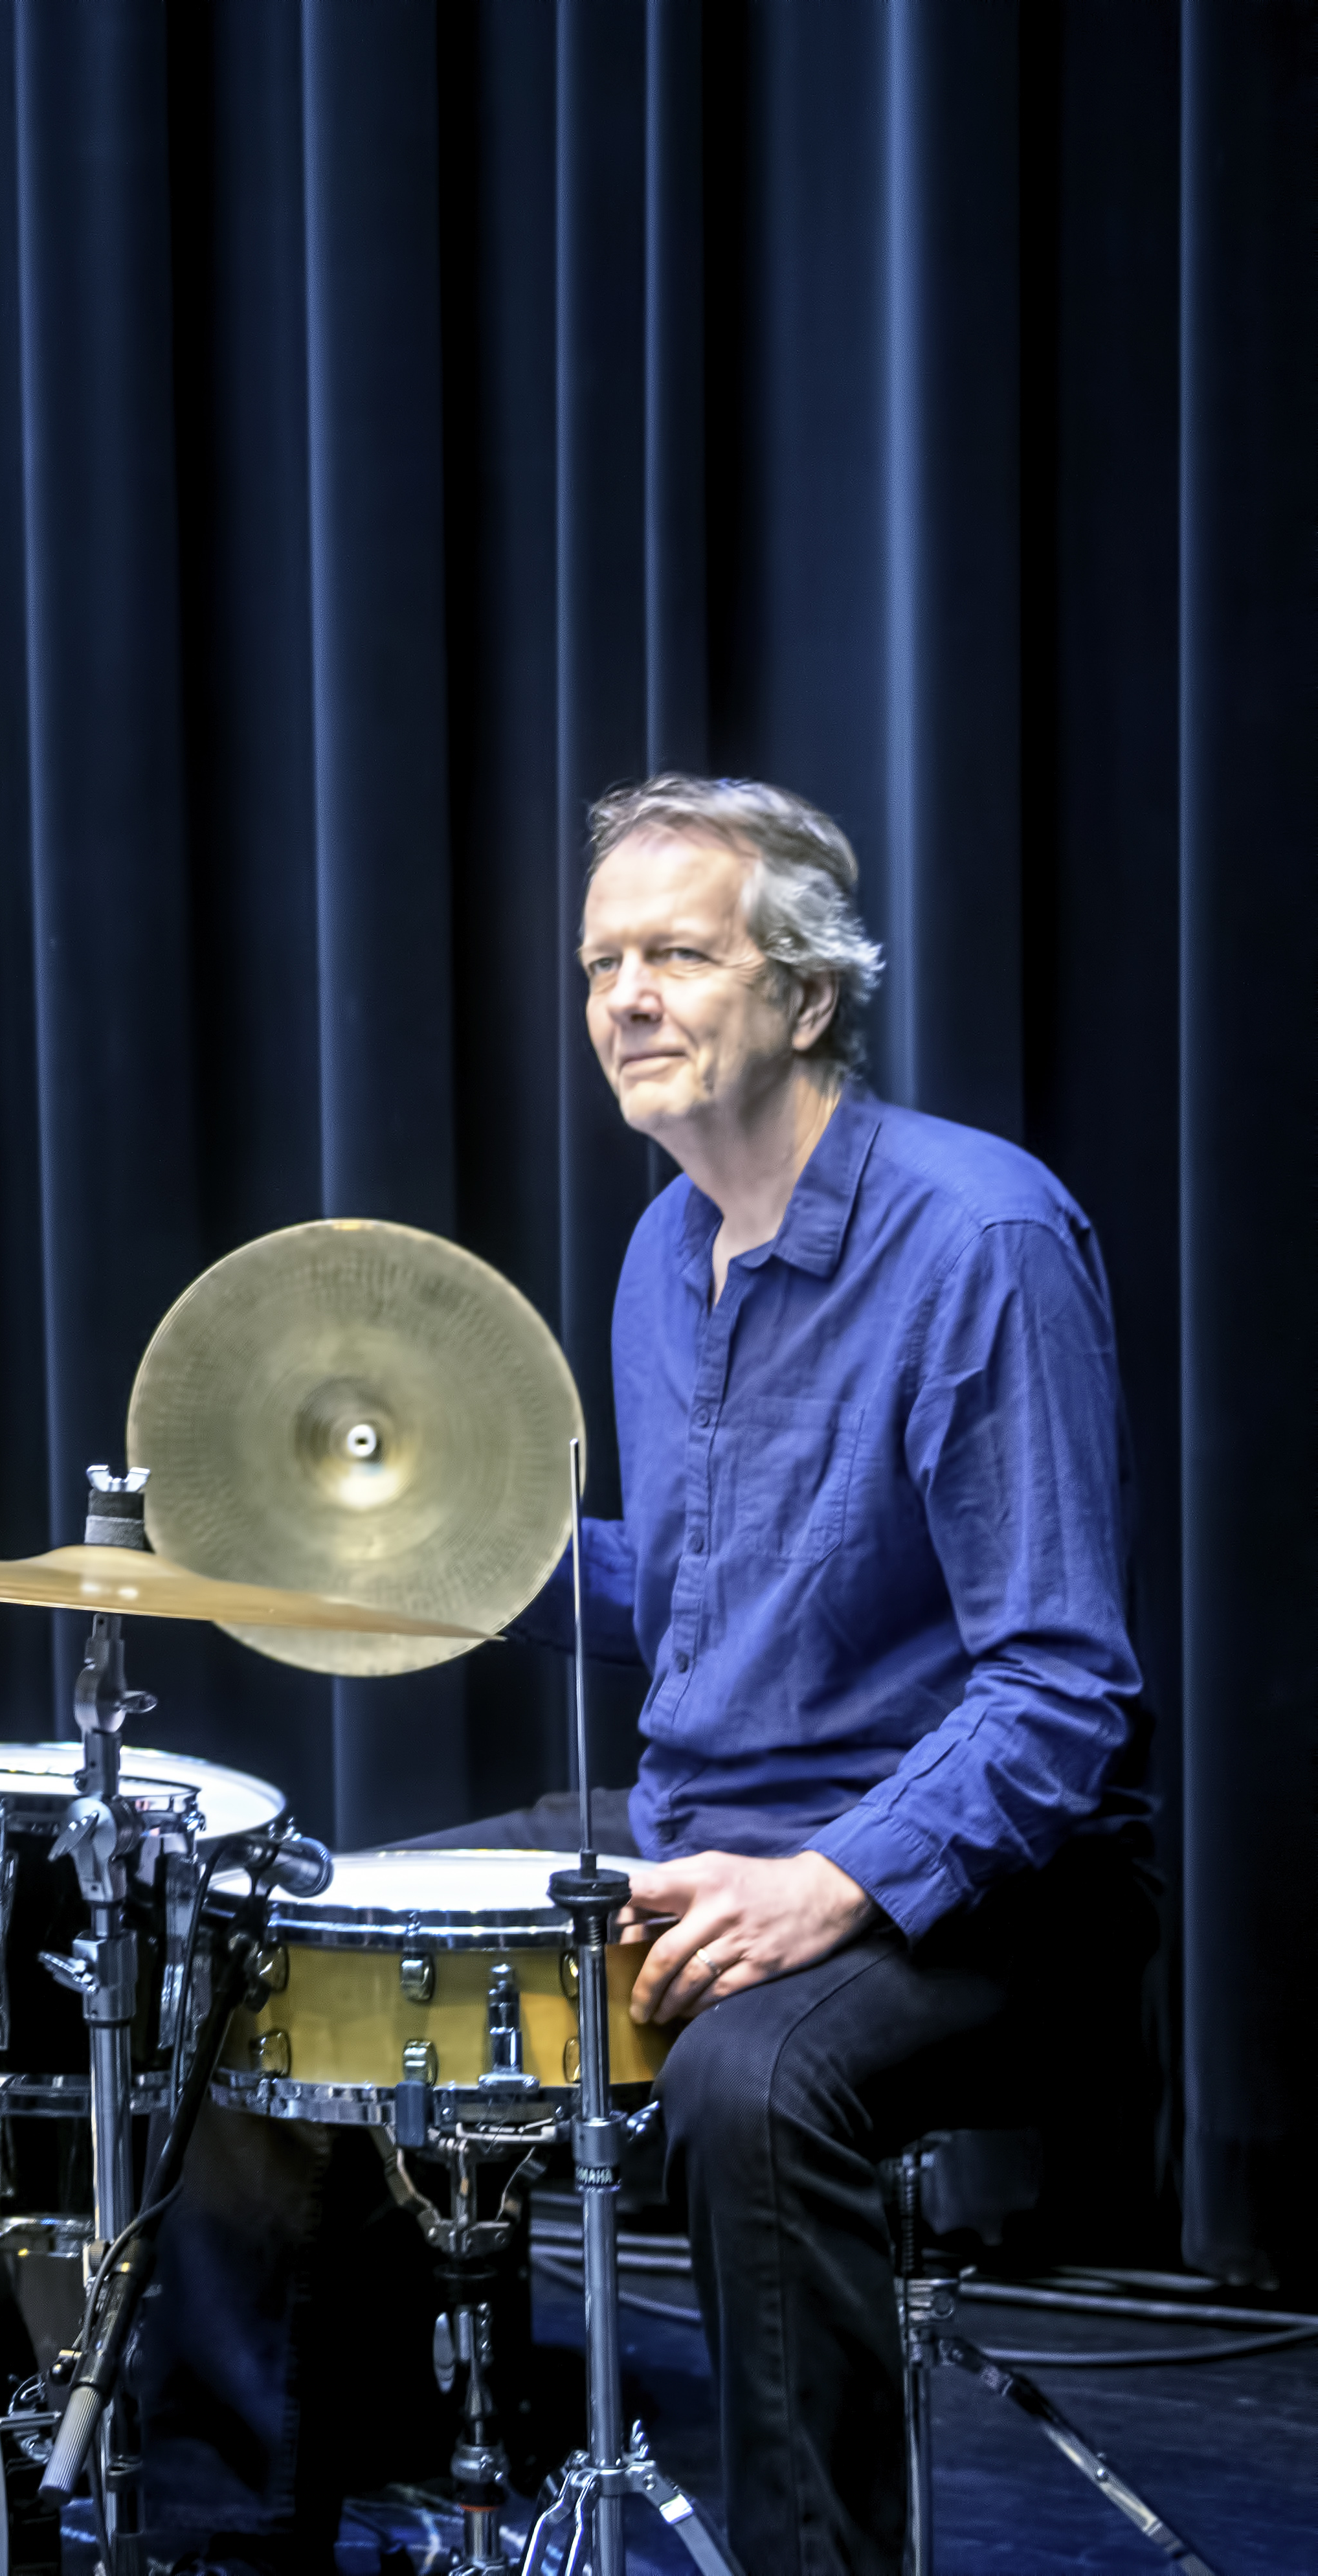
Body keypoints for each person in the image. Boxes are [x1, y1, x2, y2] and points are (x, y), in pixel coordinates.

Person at [513, 774, 1155, 2573]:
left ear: (804, 996)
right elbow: (725, 1596)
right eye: (599, 964)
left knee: (750, 2079)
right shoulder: (663, 1251)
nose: (623, 998)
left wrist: (827, 1882)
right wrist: (460, 1560)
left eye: (676, 956)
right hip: (718, 1835)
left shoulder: (979, 1239)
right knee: (302, 1954)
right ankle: (251, 2523)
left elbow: (1057, 1687)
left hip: (995, 1879)